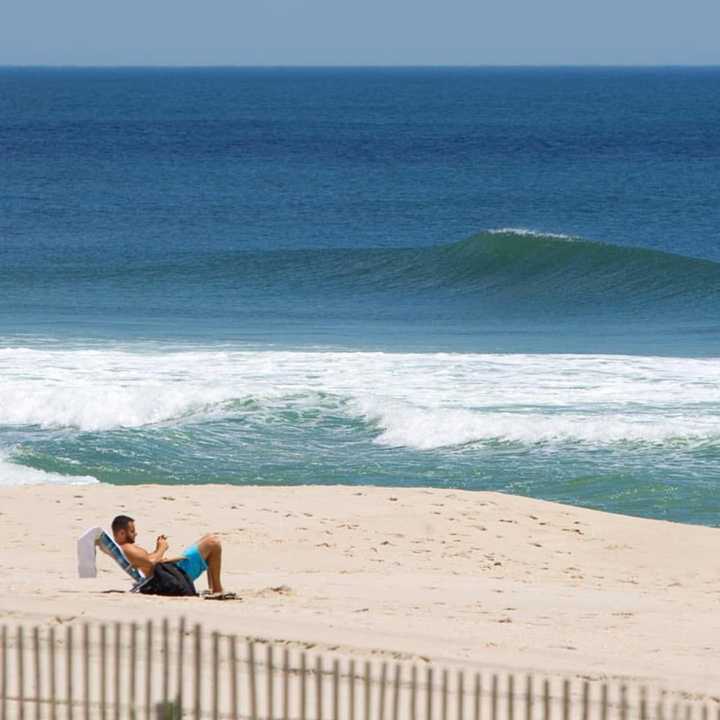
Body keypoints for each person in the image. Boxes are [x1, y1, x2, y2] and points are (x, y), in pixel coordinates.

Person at [111, 515, 225, 594]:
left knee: (208, 537)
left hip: (170, 572)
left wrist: (158, 549)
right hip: (175, 576)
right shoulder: (127, 548)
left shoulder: (127, 549)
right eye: (132, 531)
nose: (135, 533)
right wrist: (162, 548)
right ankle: (217, 589)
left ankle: (213, 587)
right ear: (122, 533)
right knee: (213, 542)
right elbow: (151, 563)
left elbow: (147, 561)